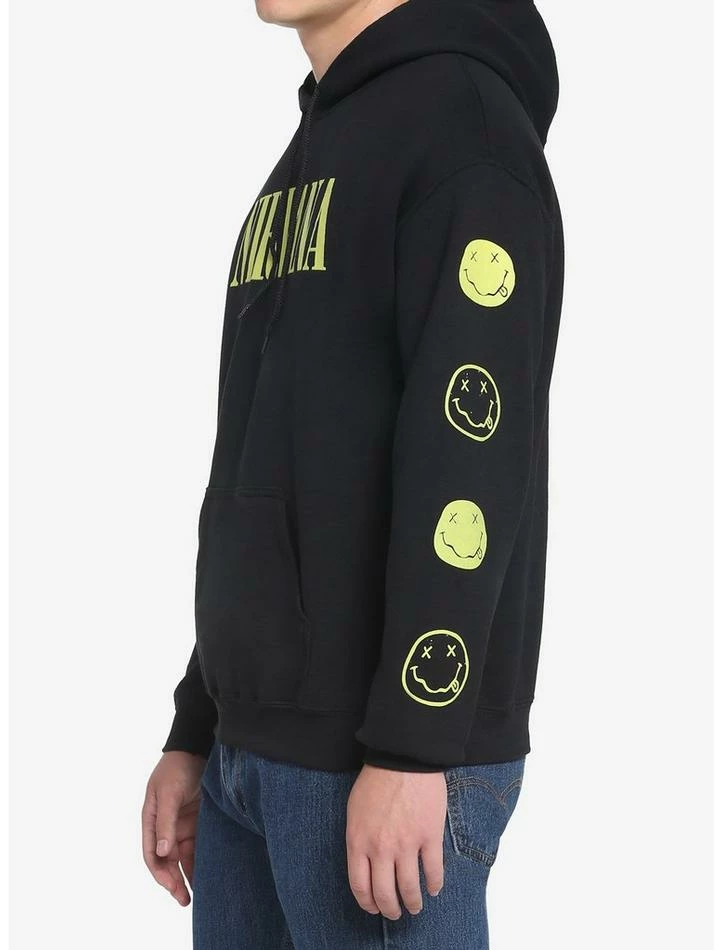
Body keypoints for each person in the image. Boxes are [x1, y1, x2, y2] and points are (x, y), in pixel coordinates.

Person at [141, 0, 564, 946]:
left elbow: (470, 458)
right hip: (254, 752)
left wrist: (414, 746)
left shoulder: (465, 132)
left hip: (379, 760)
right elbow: (266, 461)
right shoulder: (314, 149)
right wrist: (199, 722)